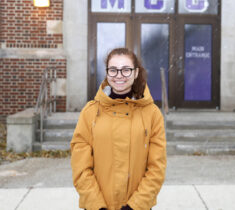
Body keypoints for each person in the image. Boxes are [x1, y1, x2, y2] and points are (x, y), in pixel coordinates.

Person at [70, 48, 167, 210]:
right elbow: (80, 165)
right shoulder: (90, 112)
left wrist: (135, 206)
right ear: (107, 73)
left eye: (126, 70)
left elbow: (156, 168)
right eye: (113, 70)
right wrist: (96, 205)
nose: (119, 75)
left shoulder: (152, 114)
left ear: (136, 73)